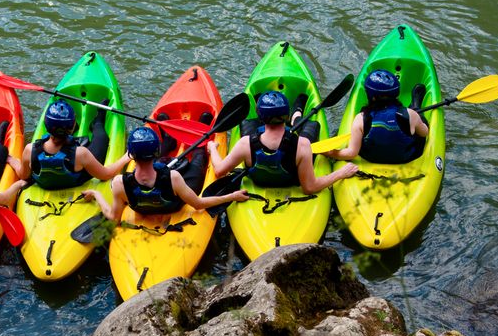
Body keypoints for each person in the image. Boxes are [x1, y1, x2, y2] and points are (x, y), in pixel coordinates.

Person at [83, 127, 249, 222]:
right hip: (173, 201)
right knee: (195, 166)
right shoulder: (174, 177)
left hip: (147, 205)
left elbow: (113, 218)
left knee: (166, 166)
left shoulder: (119, 183)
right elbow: (198, 204)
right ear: (155, 152)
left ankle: (169, 141)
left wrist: (97, 194)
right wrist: (232, 196)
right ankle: (199, 144)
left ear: (131, 155)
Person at [208, 91, 358, 195]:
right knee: (312, 126)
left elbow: (220, 170)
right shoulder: (303, 145)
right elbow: (310, 187)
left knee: (247, 124)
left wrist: (212, 148)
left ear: (261, 116)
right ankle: (296, 115)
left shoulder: (244, 143)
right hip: (289, 181)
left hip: (258, 181)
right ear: (284, 116)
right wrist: (340, 173)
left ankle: (265, 103)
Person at [15, 100, 130, 189]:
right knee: (101, 137)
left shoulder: (30, 150)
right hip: (75, 179)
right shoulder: (81, 154)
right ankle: (98, 120)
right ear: (72, 126)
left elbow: (23, 175)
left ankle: (76, 119)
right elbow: (106, 174)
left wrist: (11, 160)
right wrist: (126, 157)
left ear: (46, 124)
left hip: (48, 182)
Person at [324, 69, 429, 164]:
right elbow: (424, 133)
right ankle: (416, 106)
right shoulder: (410, 114)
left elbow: (351, 153)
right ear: (396, 93)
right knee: (419, 120)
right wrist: (414, 120)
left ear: (371, 96)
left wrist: (330, 153)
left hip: (371, 158)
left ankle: (415, 107)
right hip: (405, 158)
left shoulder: (361, 118)